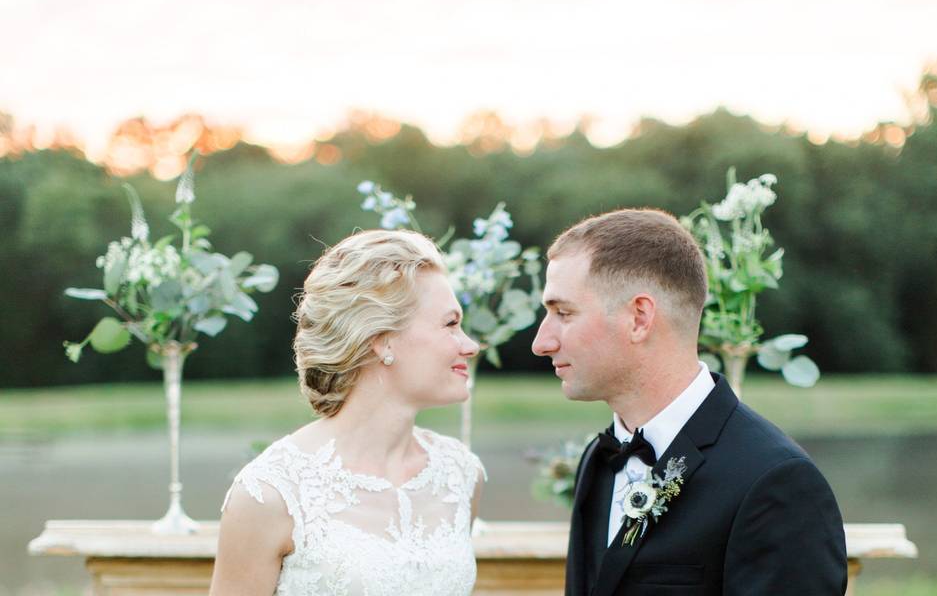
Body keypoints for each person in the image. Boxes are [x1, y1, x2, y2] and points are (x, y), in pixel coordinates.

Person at [531, 209, 847, 596]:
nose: (541, 343)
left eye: (563, 313)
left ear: (639, 318)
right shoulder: (599, 460)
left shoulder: (776, 482)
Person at [210, 229, 484, 596]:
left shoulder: (460, 474)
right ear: (381, 339)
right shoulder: (270, 493)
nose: (470, 345)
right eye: (451, 324)